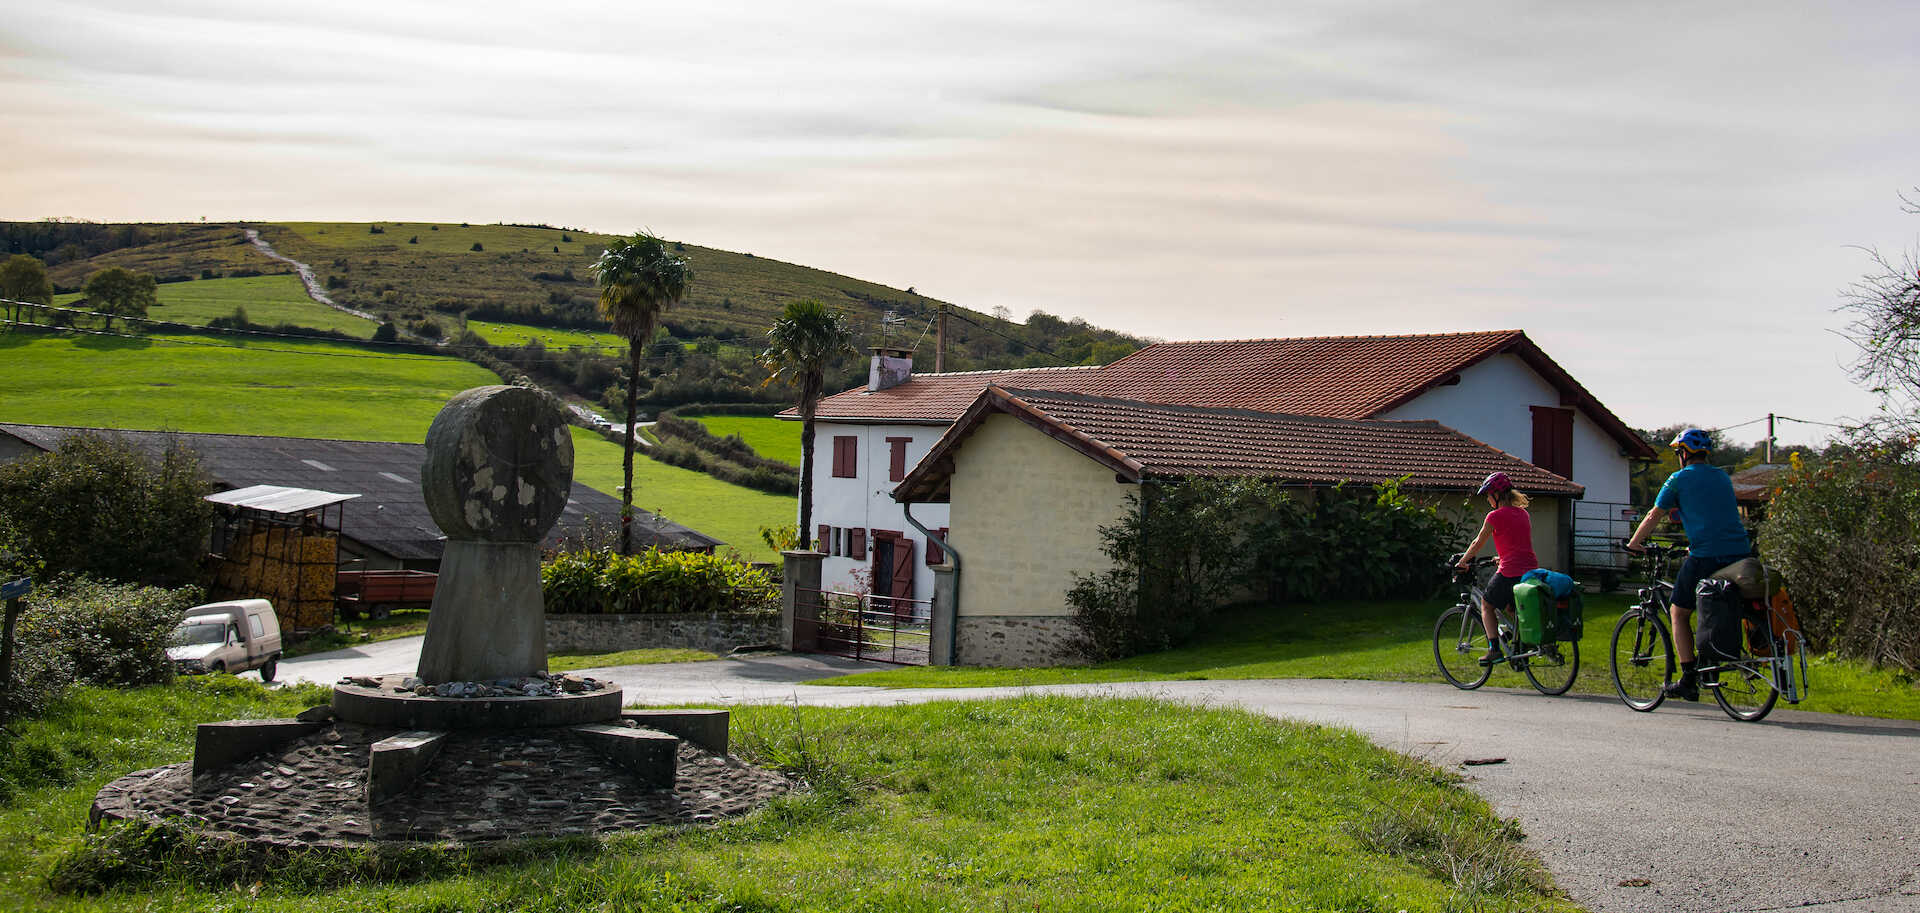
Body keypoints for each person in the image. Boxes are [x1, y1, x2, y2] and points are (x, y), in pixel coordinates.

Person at [1624, 428, 1752, 701]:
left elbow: (1653, 515)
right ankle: (1717, 658)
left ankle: (1688, 678)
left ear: (1683, 454)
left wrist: (1634, 544)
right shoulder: (1722, 477)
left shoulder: (1678, 479)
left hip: (1706, 555)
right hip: (1740, 554)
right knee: (1722, 601)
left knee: (1678, 612)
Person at [1455, 471, 1539, 665]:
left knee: (1486, 604)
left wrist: (1463, 561)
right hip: (1530, 569)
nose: (1487, 498)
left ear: (1497, 494)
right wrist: (1500, 557)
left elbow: (1477, 543)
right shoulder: (1523, 514)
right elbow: (1516, 543)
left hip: (1510, 571)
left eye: (1488, 494)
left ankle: (1494, 650)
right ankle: (1523, 642)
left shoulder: (1495, 516)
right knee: (1511, 607)